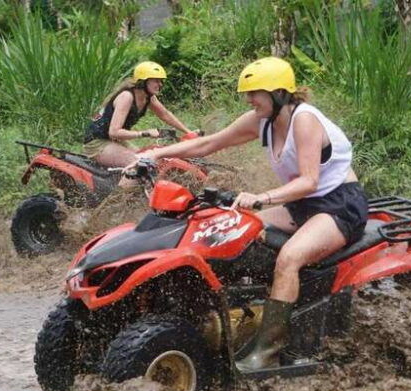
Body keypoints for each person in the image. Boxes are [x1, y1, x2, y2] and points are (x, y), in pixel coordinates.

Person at [128, 56, 369, 372]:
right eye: (248, 93)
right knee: (235, 233)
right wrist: (155, 153)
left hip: (338, 205)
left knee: (289, 259)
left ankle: (266, 354)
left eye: (255, 92)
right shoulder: (262, 121)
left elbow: (309, 181)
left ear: (279, 92)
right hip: (303, 206)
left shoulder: (305, 120)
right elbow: (208, 144)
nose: (249, 99)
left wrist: (262, 198)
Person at [83, 61, 193, 186]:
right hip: (97, 143)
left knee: (153, 160)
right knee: (140, 164)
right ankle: (115, 201)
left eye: (160, 81)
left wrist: (188, 132)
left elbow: (165, 114)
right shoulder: (127, 97)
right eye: (156, 80)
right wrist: (145, 133)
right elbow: (114, 131)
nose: (160, 84)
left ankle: (138, 192)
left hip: (115, 140)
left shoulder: (148, 97)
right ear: (144, 81)